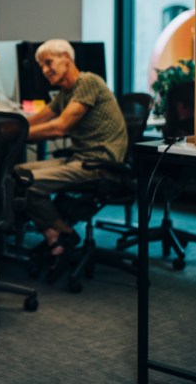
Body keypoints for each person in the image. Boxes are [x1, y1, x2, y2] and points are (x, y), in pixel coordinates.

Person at [14, 39, 127, 266]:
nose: (45, 71)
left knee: (28, 182)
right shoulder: (65, 93)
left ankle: (64, 234)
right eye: (42, 66)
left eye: (49, 63)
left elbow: (59, 127)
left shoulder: (88, 82)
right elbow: (36, 120)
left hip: (99, 164)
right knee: (16, 172)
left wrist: (15, 136)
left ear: (67, 58)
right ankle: (53, 234)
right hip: (80, 159)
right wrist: (10, 127)